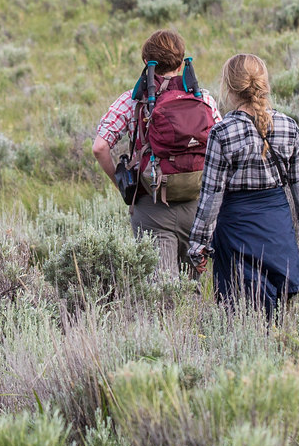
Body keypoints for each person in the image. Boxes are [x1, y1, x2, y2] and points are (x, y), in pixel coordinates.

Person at [185, 54, 299, 315]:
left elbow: (211, 197)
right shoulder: (289, 127)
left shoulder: (222, 132)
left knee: (238, 313)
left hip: (236, 232)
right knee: (281, 315)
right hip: (277, 231)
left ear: (229, 88)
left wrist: (198, 244)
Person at [90, 29, 218, 274]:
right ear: (182, 63)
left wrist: (121, 186)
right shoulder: (204, 100)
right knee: (190, 287)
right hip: (197, 205)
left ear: (146, 63)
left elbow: (99, 147)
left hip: (152, 206)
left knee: (161, 295)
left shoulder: (132, 101)